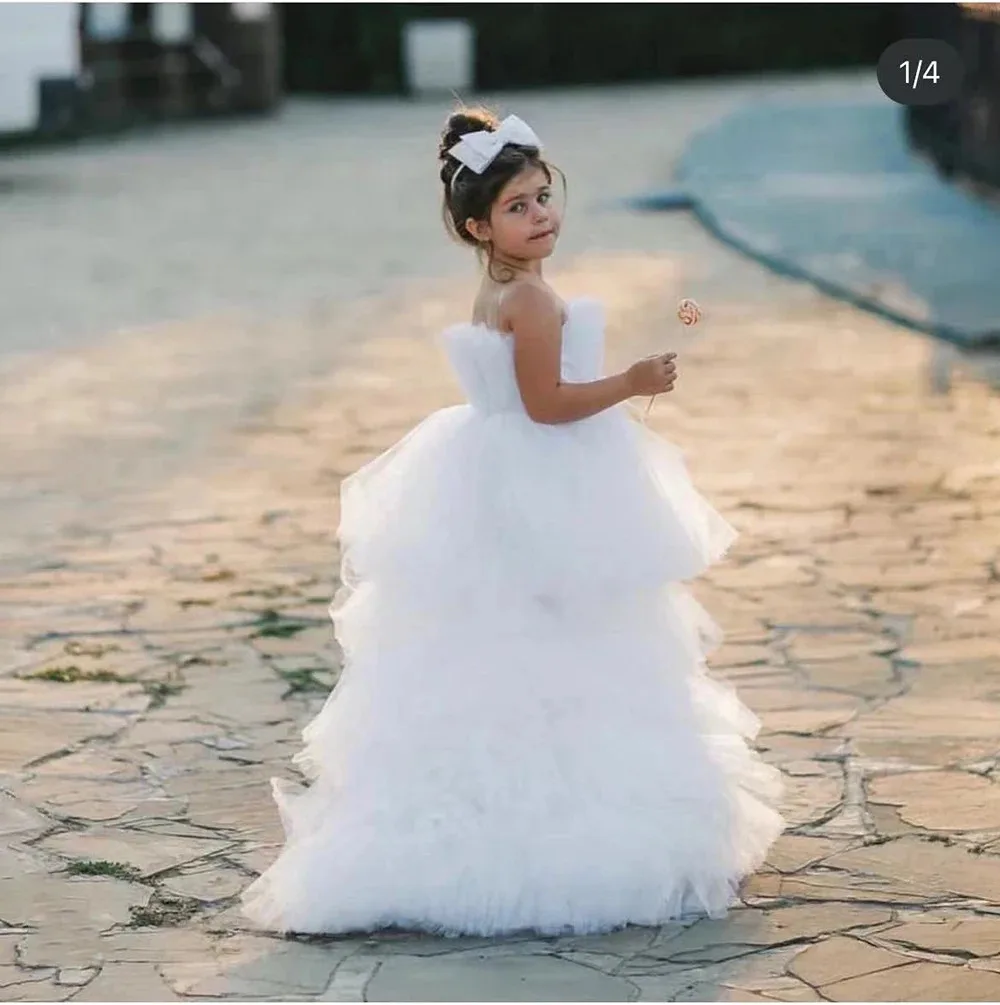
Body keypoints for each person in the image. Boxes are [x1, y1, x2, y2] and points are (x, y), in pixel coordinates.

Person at [241, 107, 784, 938]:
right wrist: (631, 378)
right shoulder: (526, 298)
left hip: (497, 473)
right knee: (565, 645)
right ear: (476, 225)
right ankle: (554, 832)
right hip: (537, 476)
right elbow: (546, 404)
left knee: (514, 648)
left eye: (542, 196)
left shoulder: (506, 283)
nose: (541, 215)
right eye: (519, 207)